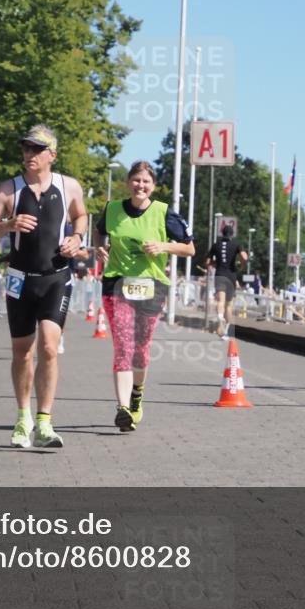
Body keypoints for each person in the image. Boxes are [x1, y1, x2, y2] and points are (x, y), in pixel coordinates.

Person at [0, 124, 87, 448]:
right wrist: (8, 224)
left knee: (50, 347)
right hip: (20, 279)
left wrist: (77, 237)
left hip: (56, 277)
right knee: (22, 351)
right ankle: (23, 417)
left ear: (52, 155)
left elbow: (81, 216)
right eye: (26, 149)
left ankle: (44, 422)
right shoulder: (7, 190)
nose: (29, 155)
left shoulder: (69, 186)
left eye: (37, 149)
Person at [95, 161, 194, 432]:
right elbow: (99, 232)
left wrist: (163, 246)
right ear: (128, 183)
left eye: (146, 181)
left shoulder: (164, 212)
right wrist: (99, 247)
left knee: (140, 349)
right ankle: (123, 408)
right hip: (117, 284)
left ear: (153, 186)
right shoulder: (113, 209)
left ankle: (136, 396)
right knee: (123, 346)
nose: (140, 185)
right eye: (136, 180)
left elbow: (190, 249)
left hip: (151, 286)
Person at [205, 225, 248, 338]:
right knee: (229, 305)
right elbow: (244, 257)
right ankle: (227, 331)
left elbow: (208, 262)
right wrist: (240, 264)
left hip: (219, 275)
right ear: (232, 235)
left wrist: (216, 264)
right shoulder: (236, 244)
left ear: (222, 233)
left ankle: (220, 318)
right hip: (231, 276)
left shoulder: (215, 245)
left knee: (220, 300)